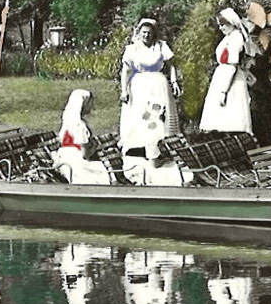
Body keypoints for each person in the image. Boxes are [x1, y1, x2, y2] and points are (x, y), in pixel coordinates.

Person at [118, 18, 180, 160]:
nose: (146, 36)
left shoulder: (161, 46)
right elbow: (126, 71)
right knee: (140, 114)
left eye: (149, 33)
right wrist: (124, 90)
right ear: (139, 33)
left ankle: (160, 146)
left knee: (158, 114)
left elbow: (171, 65)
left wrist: (174, 81)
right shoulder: (132, 49)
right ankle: (139, 146)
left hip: (158, 84)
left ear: (154, 33)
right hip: (139, 85)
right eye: (144, 33)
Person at [199, 8, 256, 134]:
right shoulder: (228, 37)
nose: (221, 28)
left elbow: (232, 66)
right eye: (220, 25)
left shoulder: (236, 38)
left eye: (223, 24)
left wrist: (224, 91)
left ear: (231, 22)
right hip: (222, 77)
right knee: (221, 118)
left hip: (232, 81)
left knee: (232, 116)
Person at [53, 89, 111, 185]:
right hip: (76, 161)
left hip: (63, 158)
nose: (92, 107)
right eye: (90, 103)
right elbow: (84, 154)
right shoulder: (79, 126)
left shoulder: (67, 123)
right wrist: (93, 148)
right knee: (100, 170)